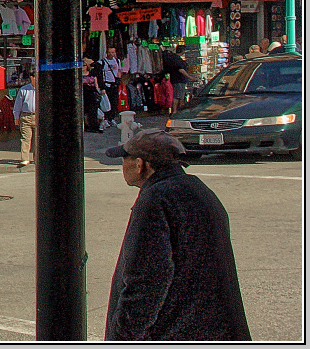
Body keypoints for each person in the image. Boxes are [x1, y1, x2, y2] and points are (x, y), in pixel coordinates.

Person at [104, 131, 250, 340]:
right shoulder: (198, 190)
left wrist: (121, 338)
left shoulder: (154, 200)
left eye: (124, 159)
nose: (122, 166)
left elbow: (146, 283)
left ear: (140, 164)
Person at [14, 71, 38, 167]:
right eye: (35, 77)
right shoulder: (24, 89)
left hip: (38, 116)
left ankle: (37, 158)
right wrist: (16, 117)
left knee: (38, 139)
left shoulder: (43, 89)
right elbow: (18, 105)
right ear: (32, 78)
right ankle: (25, 158)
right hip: (26, 116)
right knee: (25, 138)